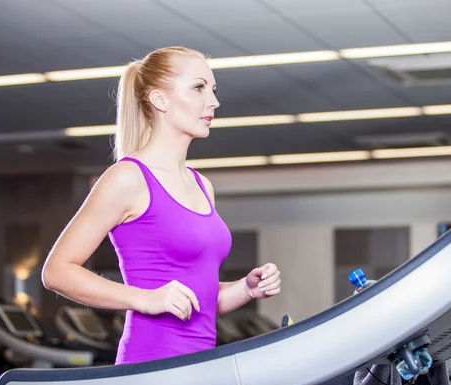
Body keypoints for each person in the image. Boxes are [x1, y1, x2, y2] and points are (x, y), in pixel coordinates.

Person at [41, 46, 282, 365]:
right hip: (151, 365)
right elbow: (57, 271)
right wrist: (144, 299)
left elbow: (198, 298)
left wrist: (246, 289)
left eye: (213, 89)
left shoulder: (201, 185)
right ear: (160, 99)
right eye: (198, 87)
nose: (213, 101)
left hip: (200, 366)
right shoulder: (127, 178)